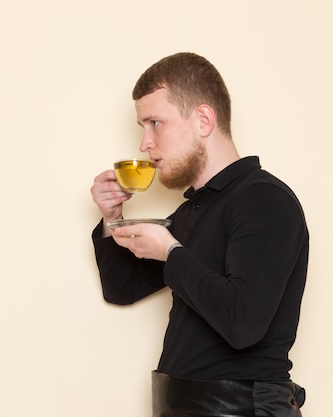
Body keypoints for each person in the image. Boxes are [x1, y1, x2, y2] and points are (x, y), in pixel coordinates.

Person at [90, 52, 308, 417]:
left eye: (155, 123)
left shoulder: (264, 199)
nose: (144, 143)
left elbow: (242, 323)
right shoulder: (195, 210)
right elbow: (122, 288)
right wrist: (112, 218)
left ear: (203, 120)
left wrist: (172, 252)